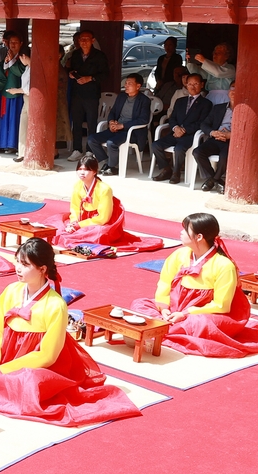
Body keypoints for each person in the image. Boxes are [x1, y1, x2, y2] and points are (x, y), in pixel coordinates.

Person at [0, 238, 140, 427]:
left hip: (38, 365)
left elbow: (47, 355)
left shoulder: (56, 305)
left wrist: (6, 369)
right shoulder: (11, 290)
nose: (18, 268)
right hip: (5, 353)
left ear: (42, 269)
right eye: (17, 261)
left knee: (30, 383)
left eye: (25, 264)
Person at [130, 213, 258, 358]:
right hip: (175, 307)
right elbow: (164, 282)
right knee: (139, 304)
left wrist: (185, 314)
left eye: (185, 230)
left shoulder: (224, 265)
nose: (181, 232)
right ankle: (164, 326)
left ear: (199, 237)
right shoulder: (179, 255)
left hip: (208, 314)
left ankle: (158, 329)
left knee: (200, 323)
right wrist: (164, 308)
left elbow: (222, 305)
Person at [43, 153, 162, 251]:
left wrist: (79, 226)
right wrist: (73, 223)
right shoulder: (77, 186)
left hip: (102, 224)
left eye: (86, 170)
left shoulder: (105, 189)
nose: (82, 173)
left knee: (98, 233)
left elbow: (103, 218)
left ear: (95, 171)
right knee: (56, 225)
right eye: (79, 169)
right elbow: (74, 209)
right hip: (82, 221)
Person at [151, 73, 211, 184]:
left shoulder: (206, 103)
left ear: (202, 85)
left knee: (179, 149)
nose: (192, 87)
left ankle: (176, 172)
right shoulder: (180, 101)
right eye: (190, 84)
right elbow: (172, 118)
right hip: (175, 133)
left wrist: (184, 130)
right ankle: (166, 169)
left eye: (196, 84)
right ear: (186, 85)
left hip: (190, 135)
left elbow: (201, 123)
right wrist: (175, 128)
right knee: (156, 145)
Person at [86, 73, 151, 175]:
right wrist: (111, 122)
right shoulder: (121, 97)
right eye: (125, 83)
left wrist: (122, 126)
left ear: (138, 86)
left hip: (131, 132)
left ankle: (112, 166)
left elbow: (143, 120)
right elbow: (113, 112)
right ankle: (106, 162)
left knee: (111, 143)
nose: (126, 86)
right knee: (91, 139)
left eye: (129, 83)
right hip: (116, 129)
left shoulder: (144, 100)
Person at [65, 30, 109, 160]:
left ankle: (90, 150)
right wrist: (71, 73)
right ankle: (77, 149)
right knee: (77, 122)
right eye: (81, 39)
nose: (83, 41)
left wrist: (90, 78)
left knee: (91, 122)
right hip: (77, 92)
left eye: (86, 39)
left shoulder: (99, 56)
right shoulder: (75, 55)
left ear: (93, 40)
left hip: (91, 94)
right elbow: (71, 69)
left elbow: (105, 74)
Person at [193, 82, 235, 192]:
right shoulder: (218, 108)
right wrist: (213, 132)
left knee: (224, 156)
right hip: (215, 138)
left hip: (231, 141)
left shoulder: (243, 110)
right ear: (228, 91)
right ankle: (215, 180)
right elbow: (204, 124)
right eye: (232, 88)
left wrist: (230, 135)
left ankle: (213, 180)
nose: (234, 91)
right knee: (197, 152)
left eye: (237, 89)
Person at [0, 33, 27, 154]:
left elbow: (20, 72)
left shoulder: (23, 57)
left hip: (18, 93)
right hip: (6, 91)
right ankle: (5, 144)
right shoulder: (6, 55)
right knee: (5, 118)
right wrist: (7, 62)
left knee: (16, 119)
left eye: (16, 42)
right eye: (11, 43)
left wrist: (11, 62)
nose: (13, 45)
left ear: (21, 44)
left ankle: (15, 145)